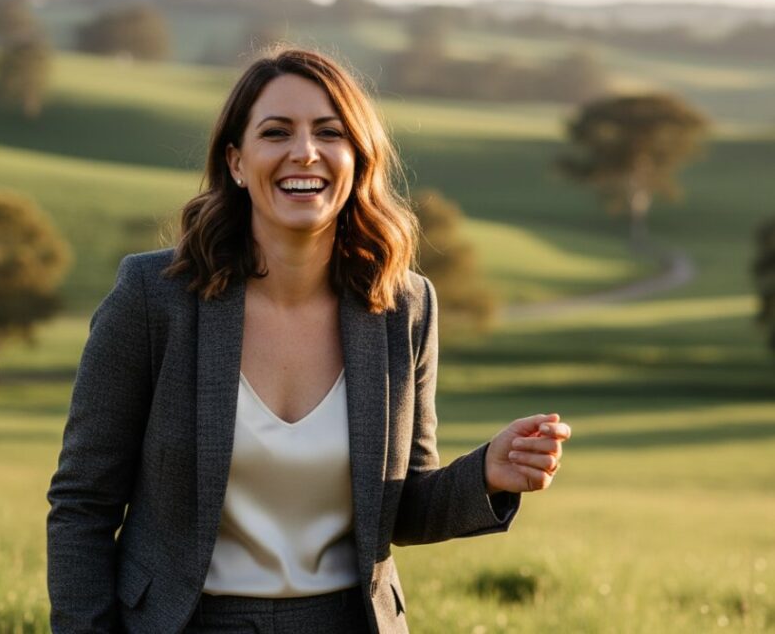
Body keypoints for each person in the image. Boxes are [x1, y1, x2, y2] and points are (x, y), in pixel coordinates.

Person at [46, 47, 571, 634]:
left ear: (356, 159)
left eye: (329, 132)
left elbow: (401, 507)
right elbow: (82, 505)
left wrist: (485, 474)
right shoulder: (152, 297)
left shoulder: (405, 306)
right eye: (276, 132)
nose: (305, 152)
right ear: (237, 162)